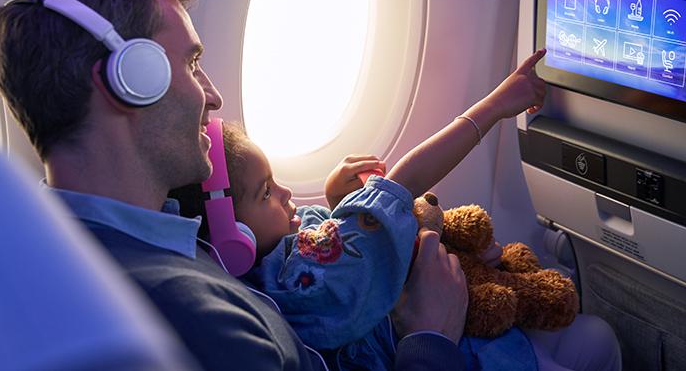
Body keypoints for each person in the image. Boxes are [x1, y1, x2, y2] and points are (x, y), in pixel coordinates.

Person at [0, 0, 469, 370]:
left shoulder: (78, 242)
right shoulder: (191, 318)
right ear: (130, 80)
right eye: (191, 63)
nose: (213, 96)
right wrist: (430, 339)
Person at [216, 49, 619, 371]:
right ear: (233, 238)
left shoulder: (288, 247)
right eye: (265, 193)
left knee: (599, 336)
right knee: (591, 343)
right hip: (474, 354)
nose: (286, 192)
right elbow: (400, 187)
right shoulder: (292, 290)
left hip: (473, 329)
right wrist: (495, 107)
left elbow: (348, 257)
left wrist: (335, 202)